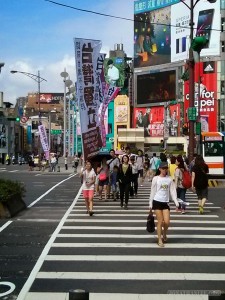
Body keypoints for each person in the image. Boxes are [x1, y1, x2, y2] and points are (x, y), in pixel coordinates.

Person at [149, 161, 179, 247]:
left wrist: (176, 201)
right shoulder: (156, 178)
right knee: (160, 221)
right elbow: (152, 191)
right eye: (163, 168)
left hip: (165, 202)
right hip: (157, 201)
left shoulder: (169, 179)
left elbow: (172, 191)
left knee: (167, 222)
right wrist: (150, 204)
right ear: (159, 169)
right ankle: (159, 239)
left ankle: (164, 233)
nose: (165, 170)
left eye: (166, 168)